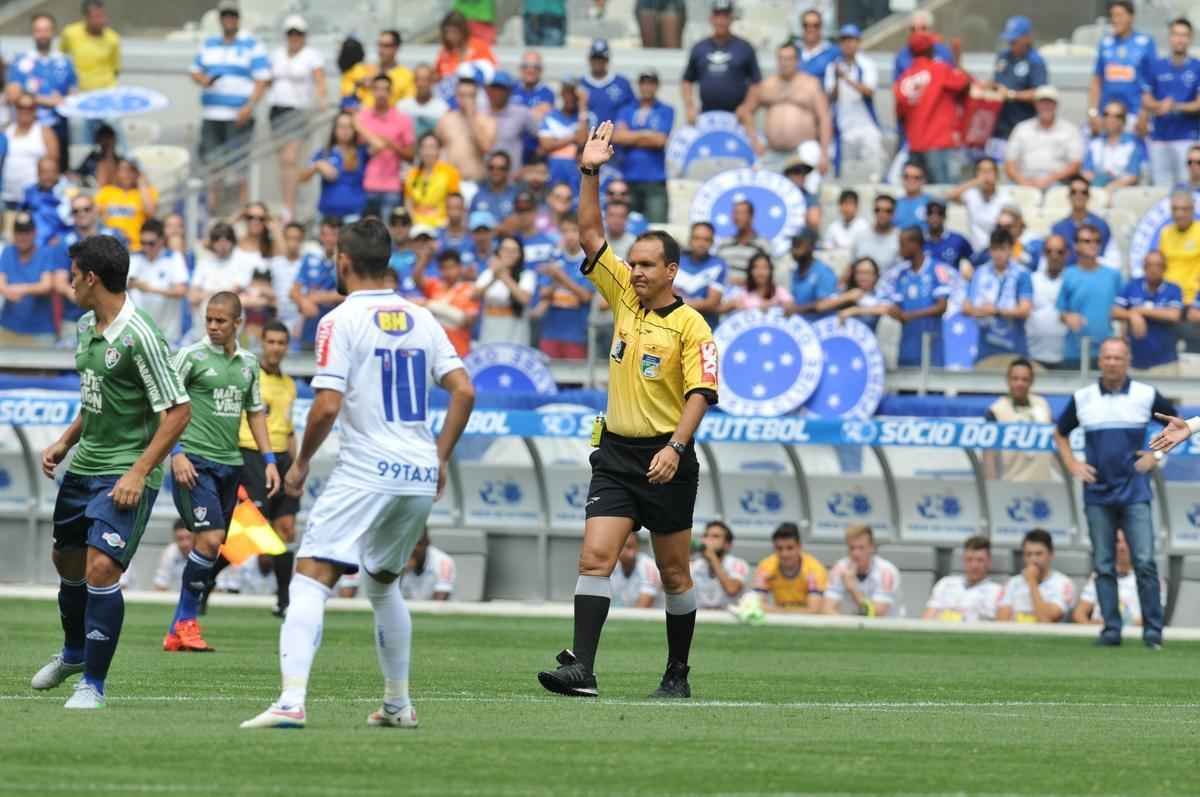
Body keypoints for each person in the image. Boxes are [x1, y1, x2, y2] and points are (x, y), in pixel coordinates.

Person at [241, 217, 475, 729]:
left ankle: (290, 702)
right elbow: (465, 390)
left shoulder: (339, 320)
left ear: (342, 261)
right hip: (415, 470)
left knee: (310, 576)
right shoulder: (422, 318)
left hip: (368, 467)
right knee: (382, 583)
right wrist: (439, 456)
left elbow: (326, 405)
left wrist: (299, 463)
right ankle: (397, 704)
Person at [536, 120, 718, 700]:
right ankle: (581, 670)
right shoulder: (621, 295)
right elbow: (590, 235)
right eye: (632, 263)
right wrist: (589, 170)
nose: (634, 271)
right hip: (616, 451)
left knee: (674, 573)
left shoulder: (693, 325)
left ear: (671, 271)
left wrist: (676, 448)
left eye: (646, 264)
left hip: (667, 456)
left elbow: (702, 394)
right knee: (596, 555)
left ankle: (677, 672)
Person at [30, 234, 191, 709]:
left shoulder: (141, 336)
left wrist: (139, 472)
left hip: (126, 472)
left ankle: (92, 685)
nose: (69, 281)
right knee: (68, 562)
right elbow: (97, 398)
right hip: (87, 465)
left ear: (91, 277)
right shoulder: (85, 326)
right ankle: (75, 652)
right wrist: (65, 440)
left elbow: (178, 411)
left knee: (102, 567)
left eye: (74, 273)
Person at [163, 291, 277, 652]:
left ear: (237, 324)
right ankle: (188, 622)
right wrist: (176, 453)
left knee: (210, 546)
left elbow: (255, 412)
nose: (212, 326)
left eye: (220, 321)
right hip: (194, 463)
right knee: (210, 540)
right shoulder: (190, 357)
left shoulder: (248, 364)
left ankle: (175, 630)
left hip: (231, 465)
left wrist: (270, 460)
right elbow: (164, 405)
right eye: (208, 320)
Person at [1055, 337, 1172, 647]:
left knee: (1145, 562)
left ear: (1127, 359)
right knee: (1103, 565)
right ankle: (1111, 629)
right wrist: (1073, 465)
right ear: (1099, 361)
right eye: (1106, 357)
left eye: (1117, 357)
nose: (1111, 362)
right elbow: (1060, 433)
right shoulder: (1083, 397)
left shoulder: (1145, 394)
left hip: (1135, 492)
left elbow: (1176, 426)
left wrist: (1156, 456)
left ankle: (1152, 631)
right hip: (1097, 494)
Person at [233, 320, 299, 617]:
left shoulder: (289, 384)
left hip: (283, 459)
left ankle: (283, 601)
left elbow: (289, 429)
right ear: (262, 343)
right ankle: (207, 580)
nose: (275, 348)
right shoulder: (249, 375)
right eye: (270, 342)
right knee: (255, 530)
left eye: (281, 343)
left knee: (285, 528)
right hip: (252, 455)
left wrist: (298, 465)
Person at [192, 1, 270, 206]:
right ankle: (214, 207)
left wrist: (249, 107)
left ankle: (241, 209)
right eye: (225, 16)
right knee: (212, 163)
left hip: (238, 114)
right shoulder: (209, 44)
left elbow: (262, 79)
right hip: (212, 114)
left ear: (238, 19)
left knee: (239, 165)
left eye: (232, 16)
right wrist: (204, 80)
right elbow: (195, 70)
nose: (229, 20)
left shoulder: (252, 44)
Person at [267, 14, 327, 221]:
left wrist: (321, 99)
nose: (294, 37)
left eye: (298, 33)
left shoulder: (311, 55)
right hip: (277, 109)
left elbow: (319, 80)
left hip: (298, 110)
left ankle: (289, 207)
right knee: (282, 161)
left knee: (290, 159)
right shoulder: (277, 54)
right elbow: (267, 79)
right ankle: (285, 202)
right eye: (291, 33)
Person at [893, 31, 968, 185]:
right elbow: (963, 82)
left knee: (919, 193)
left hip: (914, 145)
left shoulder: (903, 79)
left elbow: (899, 114)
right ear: (930, 49)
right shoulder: (939, 70)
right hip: (938, 143)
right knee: (943, 193)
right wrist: (957, 60)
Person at [6, 13, 77, 173]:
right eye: (38, 30)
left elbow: (73, 95)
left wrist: (66, 100)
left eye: (46, 30)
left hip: (59, 129)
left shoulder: (64, 62)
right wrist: (49, 101)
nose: (42, 34)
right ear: (33, 33)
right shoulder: (21, 61)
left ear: (53, 32)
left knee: (57, 173)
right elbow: (13, 95)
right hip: (30, 129)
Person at [751, 42, 831, 175]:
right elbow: (746, 111)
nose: (785, 63)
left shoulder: (810, 84)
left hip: (803, 149)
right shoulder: (768, 85)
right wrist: (754, 140)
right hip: (773, 151)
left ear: (797, 61)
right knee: (762, 184)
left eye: (789, 59)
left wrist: (824, 153)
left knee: (806, 188)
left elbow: (824, 118)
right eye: (781, 58)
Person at [681, 0, 762, 125]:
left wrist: (747, 107)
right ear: (711, 19)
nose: (721, 21)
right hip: (706, 116)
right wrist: (689, 106)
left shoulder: (745, 47)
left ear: (731, 19)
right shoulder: (699, 48)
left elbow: (756, 83)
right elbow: (687, 80)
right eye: (717, 16)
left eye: (725, 17)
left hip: (737, 118)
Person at [1140, 18, 1200, 187]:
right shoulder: (1156, 66)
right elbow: (1146, 98)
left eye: (1184, 35)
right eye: (1176, 34)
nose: (1179, 39)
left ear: (1190, 38)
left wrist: (1174, 106)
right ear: (1169, 37)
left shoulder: (1197, 67)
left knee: (1186, 187)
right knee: (1161, 188)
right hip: (1159, 137)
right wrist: (1159, 106)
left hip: (1187, 138)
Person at [962, 228, 1033, 365]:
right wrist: (985, 311)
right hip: (985, 347)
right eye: (995, 249)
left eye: (1002, 249)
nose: (998, 254)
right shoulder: (980, 273)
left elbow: (1025, 310)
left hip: (1014, 346)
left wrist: (996, 311)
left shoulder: (1022, 274)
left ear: (1011, 249)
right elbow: (966, 308)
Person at [613, 68, 673, 224]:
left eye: (651, 83)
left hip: (655, 179)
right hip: (629, 177)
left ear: (657, 86)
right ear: (639, 85)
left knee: (657, 226)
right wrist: (646, 134)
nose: (647, 87)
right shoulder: (626, 109)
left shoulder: (666, 110)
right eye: (644, 83)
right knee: (628, 227)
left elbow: (660, 140)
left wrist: (632, 135)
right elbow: (618, 137)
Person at [1057, 225, 1121, 368]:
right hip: (1074, 352)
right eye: (1087, 241)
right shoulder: (1068, 274)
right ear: (1076, 245)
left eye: (1097, 241)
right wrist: (1067, 317)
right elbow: (1061, 311)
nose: (1093, 245)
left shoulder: (1113, 276)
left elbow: (1121, 310)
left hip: (1107, 354)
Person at [887, 227, 952, 367]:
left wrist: (910, 315)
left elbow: (942, 306)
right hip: (907, 347)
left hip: (931, 346)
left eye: (902, 245)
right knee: (906, 387)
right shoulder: (901, 275)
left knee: (933, 387)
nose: (899, 249)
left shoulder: (937, 269)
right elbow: (897, 307)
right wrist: (894, 312)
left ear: (915, 244)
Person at [1088, 0, 1155, 135]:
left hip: (1134, 114)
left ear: (1131, 17)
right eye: (1113, 16)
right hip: (1107, 114)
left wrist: (1145, 113)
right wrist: (1093, 112)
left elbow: (1152, 81)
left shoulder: (1145, 43)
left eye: (1119, 15)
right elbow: (1097, 81)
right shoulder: (1105, 43)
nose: (1115, 20)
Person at [824, 24, 882, 179]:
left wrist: (847, 79)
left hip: (866, 125)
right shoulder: (832, 66)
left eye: (851, 40)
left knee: (873, 170)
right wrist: (837, 79)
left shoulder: (867, 64)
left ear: (858, 42)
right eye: (844, 40)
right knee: (845, 171)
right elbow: (830, 97)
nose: (848, 44)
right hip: (844, 127)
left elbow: (869, 91)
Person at [982, 358, 1053, 481]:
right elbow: (989, 456)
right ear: (1008, 380)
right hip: (1012, 488)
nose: (1020, 384)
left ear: (1032, 381)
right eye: (1015, 379)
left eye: (1025, 379)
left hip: (1044, 486)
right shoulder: (996, 410)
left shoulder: (1043, 404)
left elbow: (1055, 443)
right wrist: (991, 487)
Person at [356, 74, 415, 221]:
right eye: (377, 89)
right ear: (372, 92)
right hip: (367, 184)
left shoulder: (402, 119)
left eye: (385, 90)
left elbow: (411, 155)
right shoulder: (363, 118)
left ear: (391, 93)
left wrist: (391, 144)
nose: (381, 93)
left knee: (388, 234)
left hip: (392, 186)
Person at [533, 214, 592, 360]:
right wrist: (554, 282)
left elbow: (586, 296)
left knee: (575, 379)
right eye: (565, 231)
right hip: (549, 332)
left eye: (574, 230)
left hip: (577, 334)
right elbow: (543, 293)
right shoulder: (553, 258)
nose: (569, 236)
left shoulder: (589, 263)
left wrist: (560, 277)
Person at [987, 16, 1047, 161]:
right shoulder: (1003, 57)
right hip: (999, 127)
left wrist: (1011, 95)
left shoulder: (1035, 61)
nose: (1011, 43)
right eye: (1009, 40)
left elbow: (1039, 94)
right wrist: (990, 87)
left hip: (1022, 127)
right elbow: (997, 82)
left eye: (1015, 40)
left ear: (1027, 38)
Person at [1114, 251, 1183, 375]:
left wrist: (1139, 311)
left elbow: (1174, 315)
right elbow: (1114, 311)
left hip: (1165, 363)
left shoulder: (1173, 289)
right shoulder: (1132, 286)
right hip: (1135, 363)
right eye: (1149, 265)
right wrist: (1132, 315)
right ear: (1143, 267)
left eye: (1158, 265)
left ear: (1165, 268)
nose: (1153, 269)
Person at [1073, 530, 1158, 627]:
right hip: (1100, 631)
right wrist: (1092, 627)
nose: (1122, 547)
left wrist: (1118, 626)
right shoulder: (1098, 575)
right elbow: (1079, 614)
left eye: (1126, 541)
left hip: (1134, 634)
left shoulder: (1149, 578)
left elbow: (1152, 617)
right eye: (1118, 542)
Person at [1005, 86, 1083, 190]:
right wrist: (1023, 182)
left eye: (1049, 102)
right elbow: (1010, 163)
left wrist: (1050, 178)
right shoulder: (1021, 128)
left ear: (1056, 105)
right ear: (1035, 104)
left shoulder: (1070, 130)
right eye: (1042, 102)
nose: (1046, 106)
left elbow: (1075, 164)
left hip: (1058, 183)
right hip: (1024, 181)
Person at [127, 219, 189, 345]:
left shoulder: (174, 258)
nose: (146, 247)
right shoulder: (134, 258)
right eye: (143, 243)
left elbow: (181, 290)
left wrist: (151, 289)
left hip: (168, 334)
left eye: (151, 243)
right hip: (138, 333)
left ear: (161, 240)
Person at [995, 529, 1075, 624]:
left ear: (1051, 554)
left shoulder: (1064, 583)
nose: (1033, 559)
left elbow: (1046, 619)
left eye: (1039, 554)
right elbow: (1001, 620)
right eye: (1028, 554)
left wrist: (1032, 582)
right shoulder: (1012, 583)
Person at [302, 111, 369, 222]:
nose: (345, 130)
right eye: (341, 126)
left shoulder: (361, 151)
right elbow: (302, 178)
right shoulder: (324, 153)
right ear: (334, 129)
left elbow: (379, 145)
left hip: (353, 214)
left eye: (349, 127)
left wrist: (359, 126)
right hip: (326, 213)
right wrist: (317, 166)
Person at [822, 524, 901, 617]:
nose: (855, 553)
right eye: (852, 548)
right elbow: (826, 609)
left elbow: (877, 614)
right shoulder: (839, 569)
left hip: (887, 627)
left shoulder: (886, 572)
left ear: (872, 548)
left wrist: (853, 589)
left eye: (861, 548)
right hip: (849, 626)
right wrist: (846, 626)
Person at [0, 213, 55, 346]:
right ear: (14, 234)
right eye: (19, 232)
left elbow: (46, 285)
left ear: (34, 233)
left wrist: (20, 289)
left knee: (45, 366)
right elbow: (1, 281)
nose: (22, 237)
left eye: (27, 232)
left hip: (40, 330)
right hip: (8, 327)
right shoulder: (8, 251)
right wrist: (7, 291)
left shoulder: (45, 252)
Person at [472, 235, 537, 344]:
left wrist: (503, 275)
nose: (509, 254)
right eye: (505, 250)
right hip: (490, 332)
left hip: (515, 334)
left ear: (520, 254)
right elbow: (474, 295)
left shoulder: (527, 275)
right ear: (499, 252)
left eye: (514, 251)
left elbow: (524, 298)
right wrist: (493, 278)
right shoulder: (488, 273)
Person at [290, 217, 342, 351]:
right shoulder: (310, 259)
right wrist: (303, 302)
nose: (329, 239)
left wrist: (317, 297)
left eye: (334, 235)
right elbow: (294, 291)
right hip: (311, 327)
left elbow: (350, 294)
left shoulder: (346, 261)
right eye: (325, 234)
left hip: (336, 327)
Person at [752, 522, 827, 614]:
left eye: (790, 548)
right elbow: (757, 604)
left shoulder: (814, 570)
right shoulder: (765, 567)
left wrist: (776, 610)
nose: (784, 554)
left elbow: (813, 610)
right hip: (780, 621)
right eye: (779, 548)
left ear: (799, 547)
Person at [922, 536, 1001, 622]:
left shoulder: (997, 591)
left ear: (989, 562)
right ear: (964, 560)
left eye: (980, 560)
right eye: (969, 559)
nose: (974, 565)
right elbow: (927, 619)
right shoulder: (945, 583)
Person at [2, 94, 58, 211]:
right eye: (21, 107)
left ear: (35, 109)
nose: (25, 111)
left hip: (34, 199)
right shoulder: (6, 131)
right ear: (15, 109)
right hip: (7, 196)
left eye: (30, 107)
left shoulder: (44, 132)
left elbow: (53, 163)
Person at [422, 249, 479, 356]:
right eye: (444, 268)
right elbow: (417, 278)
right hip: (436, 349)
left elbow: (467, 321)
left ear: (460, 267)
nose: (448, 272)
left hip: (459, 350)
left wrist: (431, 305)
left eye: (451, 267)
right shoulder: (435, 286)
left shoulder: (470, 289)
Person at [947, 157, 1011, 251]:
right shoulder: (971, 195)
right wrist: (975, 181)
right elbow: (950, 196)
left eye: (989, 171)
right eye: (982, 171)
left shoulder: (1005, 198)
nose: (986, 175)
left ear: (996, 175)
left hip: (997, 250)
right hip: (976, 251)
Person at [436, 71, 490, 183]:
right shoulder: (445, 119)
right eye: (462, 95)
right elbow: (437, 148)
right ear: (456, 96)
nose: (466, 99)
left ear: (476, 97)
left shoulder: (486, 121)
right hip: (450, 182)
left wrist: (471, 119)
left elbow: (485, 148)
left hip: (475, 180)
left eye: (470, 95)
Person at [95, 158, 157, 251]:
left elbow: (151, 212)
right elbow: (93, 214)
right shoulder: (107, 191)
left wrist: (142, 182)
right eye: (122, 170)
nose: (126, 175)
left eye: (131, 170)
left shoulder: (147, 192)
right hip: (110, 247)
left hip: (136, 247)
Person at [1028, 234, 1070, 367]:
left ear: (1067, 254)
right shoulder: (1030, 280)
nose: (1054, 256)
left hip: (1067, 357)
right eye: (1049, 251)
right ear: (1043, 254)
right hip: (1034, 356)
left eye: (1059, 252)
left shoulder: (1074, 280)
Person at [1082, 101, 1145, 189]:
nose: (1110, 119)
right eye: (1106, 115)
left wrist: (1112, 186)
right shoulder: (1094, 144)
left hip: (1121, 192)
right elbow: (1086, 171)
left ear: (1124, 120)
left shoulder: (1132, 145)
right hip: (1096, 189)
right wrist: (1098, 184)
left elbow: (1133, 176)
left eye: (1117, 116)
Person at [60, 2, 120, 94]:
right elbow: (62, 58)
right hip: (79, 92)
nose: (101, 20)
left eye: (103, 16)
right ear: (86, 17)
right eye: (96, 17)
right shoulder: (70, 34)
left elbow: (115, 69)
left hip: (107, 91)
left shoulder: (113, 38)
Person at [580, 39, 636, 137]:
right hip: (587, 142)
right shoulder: (580, 84)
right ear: (589, 59)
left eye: (601, 58)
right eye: (595, 58)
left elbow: (632, 110)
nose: (598, 62)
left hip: (616, 144)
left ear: (607, 59)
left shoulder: (622, 84)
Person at [484, 71, 537, 172]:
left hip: (512, 177)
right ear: (488, 90)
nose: (497, 92)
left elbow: (539, 137)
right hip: (485, 177)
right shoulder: (480, 112)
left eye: (502, 89)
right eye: (494, 88)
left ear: (509, 91)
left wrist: (530, 165)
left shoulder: (521, 113)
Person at [676, 222, 726, 328]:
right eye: (697, 238)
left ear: (712, 242)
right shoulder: (676, 261)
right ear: (690, 240)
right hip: (676, 325)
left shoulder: (718, 265)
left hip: (705, 327)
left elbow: (712, 303)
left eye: (706, 239)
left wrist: (679, 302)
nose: (701, 243)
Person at [818, 257, 889, 331]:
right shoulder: (844, 291)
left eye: (867, 273)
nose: (863, 277)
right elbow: (820, 306)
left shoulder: (879, 295)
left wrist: (855, 310)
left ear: (875, 276)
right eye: (859, 273)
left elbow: (886, 309)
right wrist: (847, 297)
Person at [1050, 177, 1112, 261]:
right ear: (1068, 196)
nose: (1078, 195)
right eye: (1074, 192)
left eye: (1083, 192)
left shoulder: (1101, 225)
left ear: (1089, 196)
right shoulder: (1058, 228)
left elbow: (1105, 256)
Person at [690, 521, 748, 610]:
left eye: (715, 536)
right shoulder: (694, 566)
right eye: (706, 536)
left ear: (727, 545)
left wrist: (713, 558)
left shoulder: (738, 564)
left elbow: (731, 589)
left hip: (728, 619)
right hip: (700, 618)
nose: (708, 540)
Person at [1158, 189, 1200, 305]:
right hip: (1168, 298)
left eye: (1184, 209)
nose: (1179, 214)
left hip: (1194, 298)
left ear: (1192, 210)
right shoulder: (1165, 233)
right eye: (1175, 209)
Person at [784, 228, 836, 319]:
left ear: (811, 246)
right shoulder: (795, 272)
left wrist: (797, 309)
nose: (794, 250)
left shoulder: (823, 271)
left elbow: (824, 304)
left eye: (798, 244)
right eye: (793, 245)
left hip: (819, 328)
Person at [22, 155, 72, 248]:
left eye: (52, 172)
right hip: (33, 245)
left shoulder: (67, 194)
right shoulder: (30, 192)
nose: (49, 176)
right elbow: (22, 216)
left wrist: (61, 238)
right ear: (38, 173)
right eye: (44, 172)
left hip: (58, 246)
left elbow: (74, 225)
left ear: (58, 173)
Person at [714, 200, 769, 284]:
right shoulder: (723, 244)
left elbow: (768, 275)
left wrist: (746, 283)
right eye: (735, 213)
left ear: (751, 216)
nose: (737, 217)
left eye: (742, 213)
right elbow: (715, 270)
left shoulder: (762, 245)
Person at [720, 250, 792, 313]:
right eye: (756, 267)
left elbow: (791, 306)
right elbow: (721, 309)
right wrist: (732, 305)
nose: (760, 272)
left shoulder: (779, 291)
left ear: (771, 270)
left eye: (765, 268)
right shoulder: (741, 292)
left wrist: (785, 307)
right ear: (750, 271)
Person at [892, 9, 954, 78]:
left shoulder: (943, 53)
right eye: (913, 29)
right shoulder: (902, 56)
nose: (918, 33)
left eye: (923, 29)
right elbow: (896, 85)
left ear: (931, 30)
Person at [434, 10, 495, 79]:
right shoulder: (445, 51)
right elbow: (437, 75)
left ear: (463, 31)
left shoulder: (479, 47)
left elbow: (492, 72)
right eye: (447, 32)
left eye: (454, 32)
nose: (450, 36)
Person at [397, 64, 449, 144]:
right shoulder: (402, 106)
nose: (422, 84)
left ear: (432, 81)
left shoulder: (442, 107)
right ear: (414, 81)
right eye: (418, 79)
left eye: (426, 80)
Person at [399, 531, 456, 601]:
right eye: (409, 543)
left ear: (427, 542)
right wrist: (401, 573)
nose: (413, 548)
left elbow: (440, 600)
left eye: (418, 543)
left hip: (431, 610)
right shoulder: (399, 561)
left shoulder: (443, 561)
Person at [851, 194, 900, 271]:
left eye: (888, 211)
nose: (882, 214)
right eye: (877, 210)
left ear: (894, 213)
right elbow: (852, 265)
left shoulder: (900, 239)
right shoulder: (860, 236)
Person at [923, 200, 973, 273]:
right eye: (930, 213)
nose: (934, 217)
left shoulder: (958, 240)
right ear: (926, 217)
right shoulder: (919, 242)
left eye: (939, 213)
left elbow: (973, 260)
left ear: (945, 216)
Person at [152, 521, 194, 592]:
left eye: (188, 538)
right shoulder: (169, 553)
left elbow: (219, 588)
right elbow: (160, 586)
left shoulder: (207, 552)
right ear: (175, 539)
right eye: (180, 539)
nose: (185, 544)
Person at [895, 162, 931, 229]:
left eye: (916, 177)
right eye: (906, 177)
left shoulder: (931, 202)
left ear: (924, 180)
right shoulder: (894, 204)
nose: (911, 180)